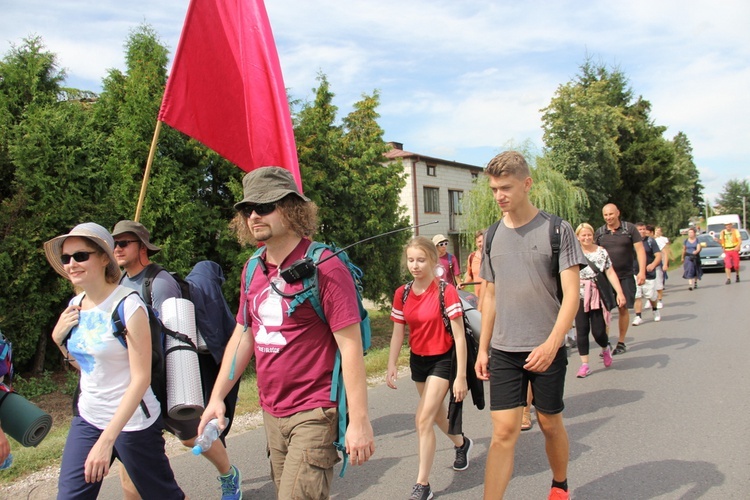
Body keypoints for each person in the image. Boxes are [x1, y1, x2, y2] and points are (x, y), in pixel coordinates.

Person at [199, 167, 375, 499]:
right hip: (271, 412)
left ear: (292, 207)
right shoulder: (253, 267)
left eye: (264, 206)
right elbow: (244, 335)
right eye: (247, 209)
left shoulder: (325, 266)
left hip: (314, 411)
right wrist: (217, 398)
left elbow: (350, 348)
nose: (253, 215)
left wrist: (360, 421)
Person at [475, 151, 586, 500]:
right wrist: (482, 346)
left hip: (546, 346)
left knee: (549, 423)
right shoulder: (491, 236)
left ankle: (559, 485)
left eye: (505, 187)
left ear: (526, 184)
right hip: (505, 349)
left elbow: (572, 296)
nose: (499, 196)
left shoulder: (557, 229)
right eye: (494, 189)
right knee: (503, 432)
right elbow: (489, 295)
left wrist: (553, 343)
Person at [44, 223, 183, 499]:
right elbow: (88, 368)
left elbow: (141, 377)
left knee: (163, 496)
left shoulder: (128, 305)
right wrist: (58, 341)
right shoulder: (76, 304)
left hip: (134, 423)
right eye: (66, 258)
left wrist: (107, 440)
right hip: (89, 417)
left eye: (80, 256)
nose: (71, 264)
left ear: (104, 258)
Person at [111, 220, 241, 500]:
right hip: (134, 381)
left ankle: (229, 474)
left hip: (166, 376)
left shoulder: (159, 284)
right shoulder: (119, 284)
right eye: (114, 243)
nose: (116, 249)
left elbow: (173, 337)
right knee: (130, 450)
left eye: (123, 243)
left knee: (191, 436)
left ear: (142, 247)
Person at [387, 236, 471, 500]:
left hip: (442, 360)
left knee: (422, 419)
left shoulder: (446, 291)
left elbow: (459, 336)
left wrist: (460, 376)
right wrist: (391, 364)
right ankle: (461, 443)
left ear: (433, 260)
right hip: (418, 361)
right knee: (435, 416)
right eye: (411, 260)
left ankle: (422, 485)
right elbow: (398, 333)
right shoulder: (402, 293)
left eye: (421, 260)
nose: (415, 265)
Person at [573, 223, 626, 378]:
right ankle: (584, 364)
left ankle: (605, 347)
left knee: (598, 331)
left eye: (589, 234)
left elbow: (610, 272)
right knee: (581, 330)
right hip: (580, 295)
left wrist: (619, 292)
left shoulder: (601, 252)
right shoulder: (573, 253)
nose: (586, 238)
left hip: (597, 294)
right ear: (578, 237)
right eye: (583, 235)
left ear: (593, 236)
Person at [595, 204, 646, 355]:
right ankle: (606, 343)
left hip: (625, 275)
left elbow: (640, 251)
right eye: (605, 215)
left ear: (618, 213)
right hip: (605, 278)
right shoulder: (600, 233)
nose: (608, 217)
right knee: (605, 311)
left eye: (611, 214)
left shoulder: (629, 229)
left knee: (623, 308)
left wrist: (642, 271)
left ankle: (621, 342)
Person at [631, 224, 662, 326]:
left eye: (644, 229)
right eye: (640, 229)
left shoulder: (650, 241)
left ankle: (655, 309)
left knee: (651, 295)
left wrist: (653, 265)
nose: (642, 231)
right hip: (635, 271)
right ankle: (638, 316)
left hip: (649, 273)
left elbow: (658, 255)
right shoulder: (632, 242)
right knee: (637, 295)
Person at [460, 230, 485, 311]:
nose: (482, 244)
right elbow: (470, 276)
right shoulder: (472, 257)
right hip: (478, 299)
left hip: (491, 298)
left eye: (483, 241)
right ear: (476, 243)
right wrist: (463, 284)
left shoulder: (492, 256)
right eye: (479, 241)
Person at [653, 226, 670, 309]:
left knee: (658, 283)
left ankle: (659, 300)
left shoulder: (658, 241)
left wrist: (665, 264)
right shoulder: (642, 241)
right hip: (647, 266)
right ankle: (651, 300)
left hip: (658, 264)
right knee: (649, 284)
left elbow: (665, 252)